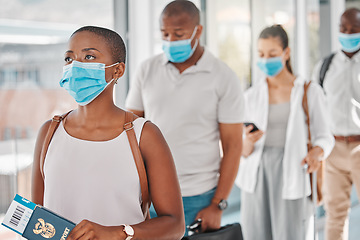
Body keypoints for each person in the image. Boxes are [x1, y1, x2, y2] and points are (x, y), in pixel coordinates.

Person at [31, 26, 185, 240]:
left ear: (118, 70)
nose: (75, 66)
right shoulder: (49, 132)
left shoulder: (144, 135)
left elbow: (174, 225)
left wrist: (117, 233)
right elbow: (37, 221)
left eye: (89, 56)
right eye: (69, 59)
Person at [125, 0, 244, 235]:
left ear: (198, 31)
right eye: (164, 33)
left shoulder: (223, 76)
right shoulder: (146, 69)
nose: (170, 40)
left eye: (178, 34)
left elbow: (232, 146)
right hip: (150, 193)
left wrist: (217, 204)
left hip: (199, 197)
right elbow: (129, 129)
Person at [236, 25, 334, 240]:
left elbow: (325, 136)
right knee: (256, 234)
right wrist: (247, 142)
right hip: (257, 175)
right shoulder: (251, 96)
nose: (265, 60)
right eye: (261, 54)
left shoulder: (309, 91)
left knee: (292, 234)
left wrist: (317, 152)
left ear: (286, 53)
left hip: (293, 169)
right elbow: (239, 149)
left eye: (272, 54)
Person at [311, 8, 360, 240]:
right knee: (335, 214)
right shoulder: (325, 66)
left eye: (354, 29)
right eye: (343, 28)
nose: (347, 33)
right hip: (333, 148)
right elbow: (315, 110)